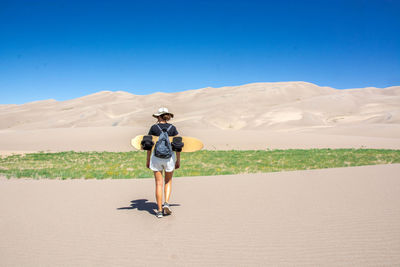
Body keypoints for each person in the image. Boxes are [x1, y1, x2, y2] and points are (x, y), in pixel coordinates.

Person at [146, 107, 180, 218]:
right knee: (168, 182)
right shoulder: (173, 128)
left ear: (159, 116)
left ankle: (159, 211)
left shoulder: (153, 128)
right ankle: (166, 203)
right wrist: (178, 160)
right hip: (169, 158)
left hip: (156, 158)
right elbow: (178, 145)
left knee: (158, 184)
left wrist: (147, 160)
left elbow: (148, 145)